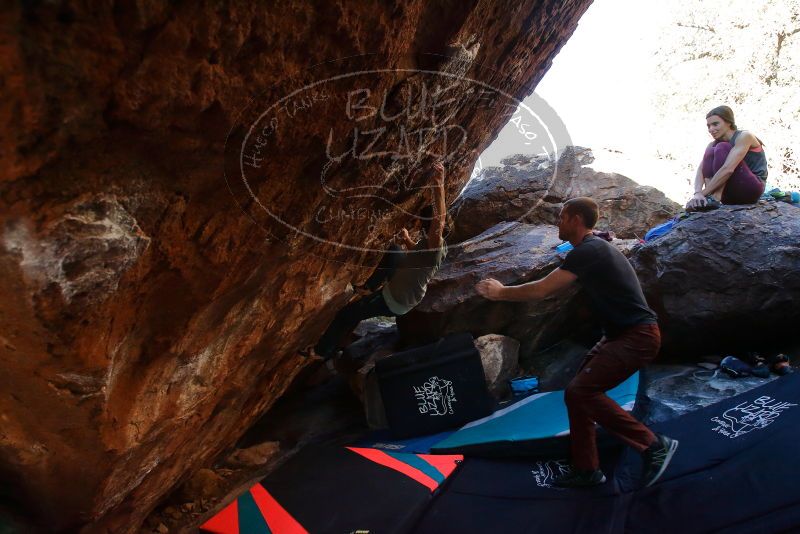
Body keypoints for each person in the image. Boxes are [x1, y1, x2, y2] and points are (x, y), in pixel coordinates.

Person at [475, 197, 678, 488]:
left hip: (638, 336)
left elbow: (542, 290)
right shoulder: (591, 249)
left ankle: (653, 445)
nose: (558, 222)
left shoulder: (589, 250)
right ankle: (587, 469)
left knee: (582, 392)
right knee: (576, 394)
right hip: (619, 335)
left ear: (576, 219)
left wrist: (500, 292)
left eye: (561, 216)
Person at [307, 162, 449, 361]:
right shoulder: (427, 246)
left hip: (395, 300)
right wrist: (408, 239)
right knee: (395, 251)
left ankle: (322, 351)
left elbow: (439, 219)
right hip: (401, 284)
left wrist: (439, 185)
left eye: (420, 221)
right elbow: (415, 255)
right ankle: (369, 286)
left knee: (346, 315)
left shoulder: (435, 244)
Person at [686, 105, 767, 210]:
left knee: (722, 147)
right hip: (729, 195)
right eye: (708, 126)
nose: (711, 129)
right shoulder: (712, 145)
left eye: (715, 124)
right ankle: (711, 198)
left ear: (729, 122)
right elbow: (701, 170)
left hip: (751, 189)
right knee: (711, 149)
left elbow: (728, 169)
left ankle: (714, 197)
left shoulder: (744, 136)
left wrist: (703, 193)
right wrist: (697, 193)